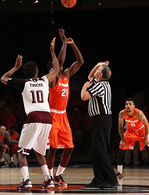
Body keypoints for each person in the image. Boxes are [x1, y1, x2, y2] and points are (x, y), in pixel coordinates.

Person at [0, 37, 60, 190]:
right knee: (39, 151)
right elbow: (57, 70)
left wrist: (15, 67)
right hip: (47, 117)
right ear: (37, 72)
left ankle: (26, 180)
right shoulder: (44, 80)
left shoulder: (23, 83)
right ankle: (48, 179)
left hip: (34, 116)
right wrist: (53, 52)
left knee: (21, 152)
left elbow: (3, 78)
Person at [46, 29, 84, 186]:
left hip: (63, 116)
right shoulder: (51, 79)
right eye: (57, 65)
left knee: (69, 147)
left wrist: (69, 44)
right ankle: (48, 176)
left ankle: (58, 175)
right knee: (53, 149)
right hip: (52, 116)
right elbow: (57, 63)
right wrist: (53, 51)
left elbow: (80, 61)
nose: (60, 65)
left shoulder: (66, 75)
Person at [80, 61, 118, 189]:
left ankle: (111, 179)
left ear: (100, 75)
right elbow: (90, 76)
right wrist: (98, 64)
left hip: (102, 120)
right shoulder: (102, 83)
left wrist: (84, 87)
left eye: (98, 70)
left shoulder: (101, 85)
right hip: (99, 120)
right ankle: (99, 178)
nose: (95, 71)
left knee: (100, 149)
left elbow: (84, 97)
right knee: (96, 149)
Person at [117, 98, 149, 180]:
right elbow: (120, 127)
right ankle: (119, 172)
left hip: (141, 131)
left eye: (130, 104)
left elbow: (147, 125)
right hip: (130, 131)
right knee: (121, 147)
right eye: (126, 104)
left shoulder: (139, 113)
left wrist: (146, 138)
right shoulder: (122, 113)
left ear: (134, 106)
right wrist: (123, 139)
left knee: (148, 148)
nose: (128, 106)